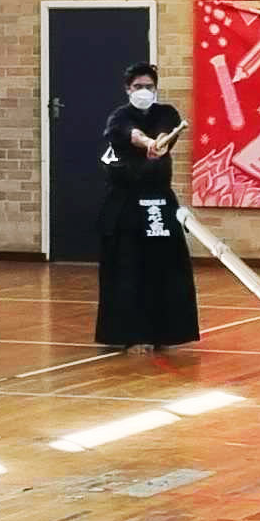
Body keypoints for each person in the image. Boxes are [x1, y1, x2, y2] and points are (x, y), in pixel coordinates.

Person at [94, 64, 199, 352]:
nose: (144, 92)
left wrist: (160, 140)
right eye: (138, 87)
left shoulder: (166, 113)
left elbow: (167, 130)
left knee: (165, 268)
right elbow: (131, 134)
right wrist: (148, 142)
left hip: (159, 203)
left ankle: (164, 332)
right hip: (126, 205)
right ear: (128, 89)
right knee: (128, 269)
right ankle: (130, 334)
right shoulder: (119, 117)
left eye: (149, 87)